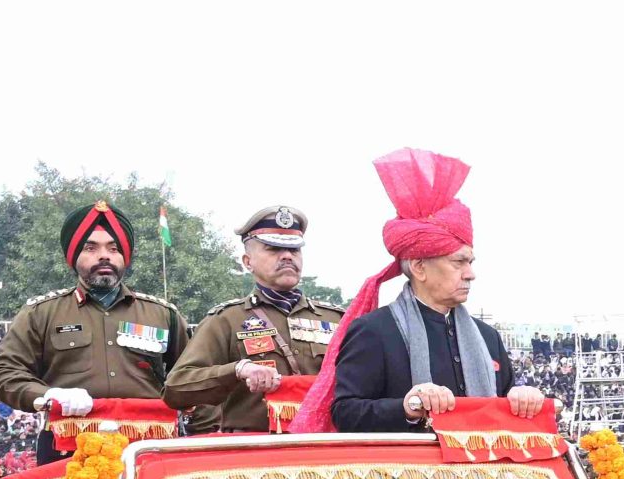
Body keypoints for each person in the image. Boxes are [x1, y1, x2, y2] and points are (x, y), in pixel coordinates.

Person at [295, 149, 551, 433]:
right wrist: (407, 407)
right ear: (419, 267)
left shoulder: (487, 336)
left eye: (471, 262)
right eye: (458, 262)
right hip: (406, 462)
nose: (470, 274)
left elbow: (503, 404)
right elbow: (345, 413)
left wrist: (522, 398)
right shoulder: (374, 331)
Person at [0, 200, 184, 461]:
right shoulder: (41, 313)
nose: (104, 256)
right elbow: (3, 374)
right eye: (91, 248)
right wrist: (48, 395)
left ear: (125, 256)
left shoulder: (162, 314)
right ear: (73, 256)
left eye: (113, 248)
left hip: (149, 450)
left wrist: (203, 441)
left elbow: (195, 377)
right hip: (68, 450)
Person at [165, 206, 343, 433]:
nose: (287, 256)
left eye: (294, 250)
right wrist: (237, 370)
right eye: (273, 249)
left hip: (323, 445)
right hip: (255, 447)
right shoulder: (227, 319)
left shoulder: (337, 320)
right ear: (248, 261)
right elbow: (175, 388)